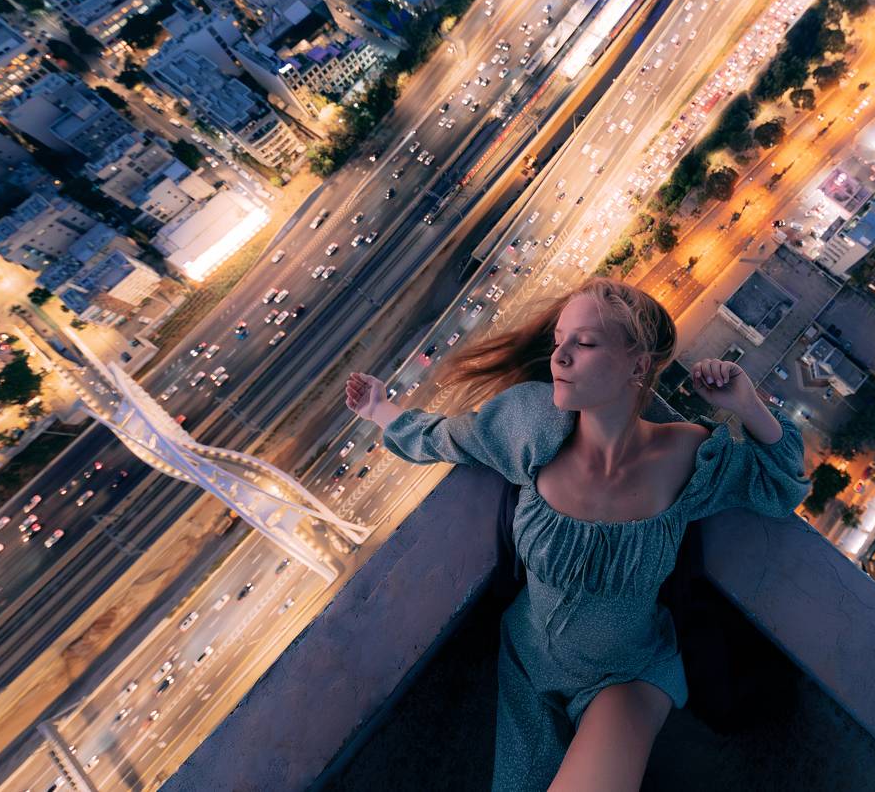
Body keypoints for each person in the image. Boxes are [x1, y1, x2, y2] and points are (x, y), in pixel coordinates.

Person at [345, 277, 806, 792]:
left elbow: (781, 485)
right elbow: (443, 438)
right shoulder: (529, 428)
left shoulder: (685, 457)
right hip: (527, 664)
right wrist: (379, 410)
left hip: (627, 675)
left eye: (583, 344)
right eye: (559, 340)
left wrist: (746, 404)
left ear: (638, 366)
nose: (559, 357)